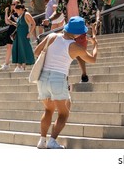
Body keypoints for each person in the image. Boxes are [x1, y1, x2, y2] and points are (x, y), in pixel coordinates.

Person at [35, 16, 98, 149]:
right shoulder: (75, 46)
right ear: (79, 32)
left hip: (43, 78)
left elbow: (36, 52)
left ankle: (42, 140)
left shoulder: (51, 36)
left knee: (48, 110)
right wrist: (95, 45)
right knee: (64, 113)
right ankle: (52, 141)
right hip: (58, 79)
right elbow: (92, 59)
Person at [42, 0, 98, 83]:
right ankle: (65, 78)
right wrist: (49, 19)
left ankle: (84, 74)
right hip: (68, 28)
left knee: (80, 52)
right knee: (65, 52)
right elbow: (58, 12)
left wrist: (94, 23)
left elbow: (95, 10)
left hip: (81, 28)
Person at [12, 4, 36, 72]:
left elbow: (33, 23)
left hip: (24, 35)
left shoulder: (26, 14)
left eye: (16, 10)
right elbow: (18, 25)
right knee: (18, 50)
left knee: (24, 49)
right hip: (18, 36)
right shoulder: (20, 16)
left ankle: (23, 66)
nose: (16, 12)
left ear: (20, 9)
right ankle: (19, 66)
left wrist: (30, 33)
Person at [0, 0, 20, 70]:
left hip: (17, 31)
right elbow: (7, 22)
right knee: (8, 47)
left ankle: (19, 65)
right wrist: (6, 12)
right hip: (11, 31)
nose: (14, 6)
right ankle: (6, 64)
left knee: (16, 48)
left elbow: (18, 22)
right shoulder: (12, 13)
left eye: (15, 4)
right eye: (13, 4)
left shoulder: (20, 13)